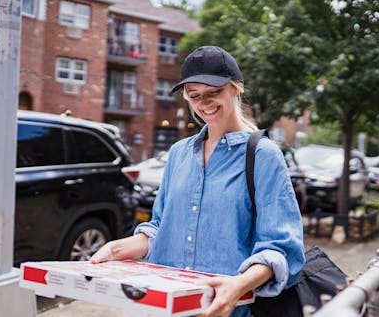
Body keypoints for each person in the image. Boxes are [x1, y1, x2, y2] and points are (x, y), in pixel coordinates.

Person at [90, 45, 305, 317]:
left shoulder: (263, 155)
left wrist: (238, 285)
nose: (204, 103)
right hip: (162, 310)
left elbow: (281, 248)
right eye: (194, 96)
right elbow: (160, 229)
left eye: (214, 92)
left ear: (236, 88)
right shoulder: (179, 153)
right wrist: (117, 248)